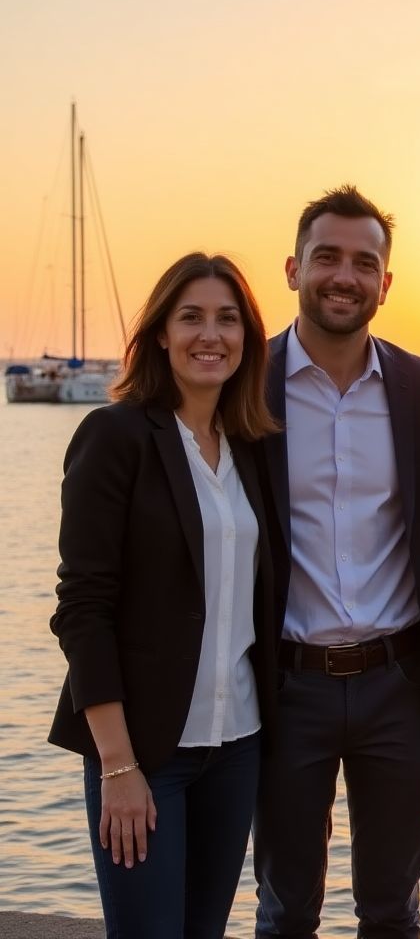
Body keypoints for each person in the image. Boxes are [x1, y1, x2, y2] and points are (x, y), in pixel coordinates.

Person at [48, 253, 279, 939]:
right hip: (145, 754)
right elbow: (82, 607)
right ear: (158, 334)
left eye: (228, 319)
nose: (211, 335)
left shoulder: (252, 447)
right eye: (191, 318)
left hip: (236, 746)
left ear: (247, 339)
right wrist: (117, 766)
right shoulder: (117, 436)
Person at [253, 186, 420, 939]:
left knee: (393, 908)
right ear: (293, 268)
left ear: (387, 282)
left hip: (397, 683)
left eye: (365, 262)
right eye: (327, 257)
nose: (345, 276)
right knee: (287, 906)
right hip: (285, 684)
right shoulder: (247, 383)